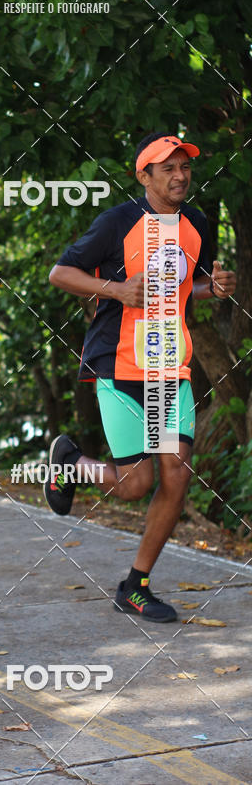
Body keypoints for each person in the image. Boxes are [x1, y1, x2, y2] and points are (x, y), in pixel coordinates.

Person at [44, 133, 236, 623]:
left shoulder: (196, 223)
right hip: (121, 364)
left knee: (176, 472)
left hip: (171, 366)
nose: (179, 176)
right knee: (134, 484)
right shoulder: (117, 223)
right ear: (144, 176)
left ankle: (136, 584)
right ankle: (69, 462)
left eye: (184, 168)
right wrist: (116, 290)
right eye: (167, 168)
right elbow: (61, 274)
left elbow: (186, 284)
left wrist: (210, 289)